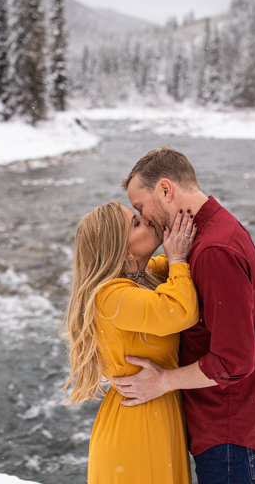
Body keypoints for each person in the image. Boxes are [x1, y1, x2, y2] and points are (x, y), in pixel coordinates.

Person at [113, 145, 255, 484]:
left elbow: (234, 360)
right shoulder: (209, 233)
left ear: (165, 189)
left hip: (229, 432)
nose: (145, 219)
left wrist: (161, 382)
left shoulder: (213, 250)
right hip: (226, 427)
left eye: (140, 208)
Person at [64, 200, 199, 484]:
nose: (148, 220)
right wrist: (177, 259)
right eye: (136, 223)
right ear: (123, 251)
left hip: (154, 410)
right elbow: (180, 311)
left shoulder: (141, 276)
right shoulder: (111, 296)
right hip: (136, 425)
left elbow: (177, 272)